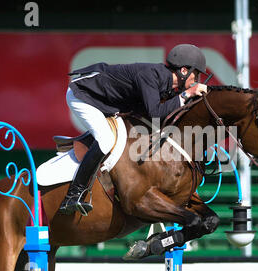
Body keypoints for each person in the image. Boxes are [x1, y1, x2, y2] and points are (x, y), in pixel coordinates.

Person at [59, 44, 209, 215]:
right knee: (106, 139)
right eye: (196, 75)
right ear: (184, 71)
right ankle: (73, 195)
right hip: (83, 96)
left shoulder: (164, 82)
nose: (196, 81)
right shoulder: (151, 76)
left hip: (103, 100)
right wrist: (187, 94)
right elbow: (155, 114)